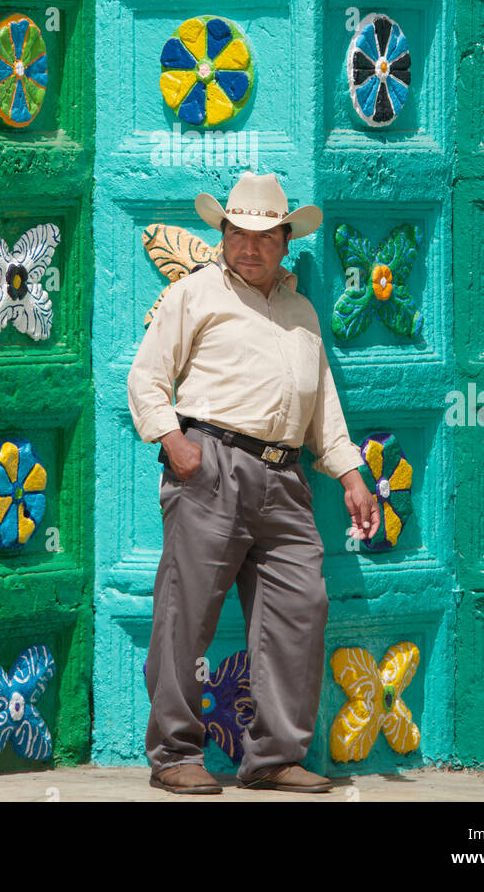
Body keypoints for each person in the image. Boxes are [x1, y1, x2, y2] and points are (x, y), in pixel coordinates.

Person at [127, 171, 380, 794]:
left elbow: (323, 407)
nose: (249, 246)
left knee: (301, 607)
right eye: (238, 233)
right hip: (212, 465)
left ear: (286, 240)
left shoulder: (302, 312)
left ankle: (273, 758)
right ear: (223, 233)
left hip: (287, 478)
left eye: (264, 236)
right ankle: (174, 755)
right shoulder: (196, 294)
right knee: (186, 613)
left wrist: (350, 473)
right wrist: (178, 445)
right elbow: (146, 377)